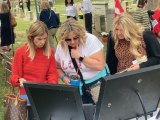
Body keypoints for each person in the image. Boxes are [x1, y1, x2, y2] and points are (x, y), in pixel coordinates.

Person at [10, 21, 59, 119]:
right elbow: (13, 78)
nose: (42, 42)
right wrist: (19, 80)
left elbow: (52, 73)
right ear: (31, 38)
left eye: (45, 38)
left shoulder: (49, 52)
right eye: (39, 39)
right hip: (26, 96)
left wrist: (51, 87)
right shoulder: (21, 52)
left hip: (43, 94)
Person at [55, 18, 108, 104]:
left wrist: (80, 57)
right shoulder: (61, 46)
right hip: (75, 86)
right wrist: (63, 78)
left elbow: (100, 65)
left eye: (75, 38)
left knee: (100, 113)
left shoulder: (91, 40)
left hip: (95, 84)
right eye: (68, 39)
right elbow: (57, 67)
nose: (72, 42)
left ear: (81, 34)